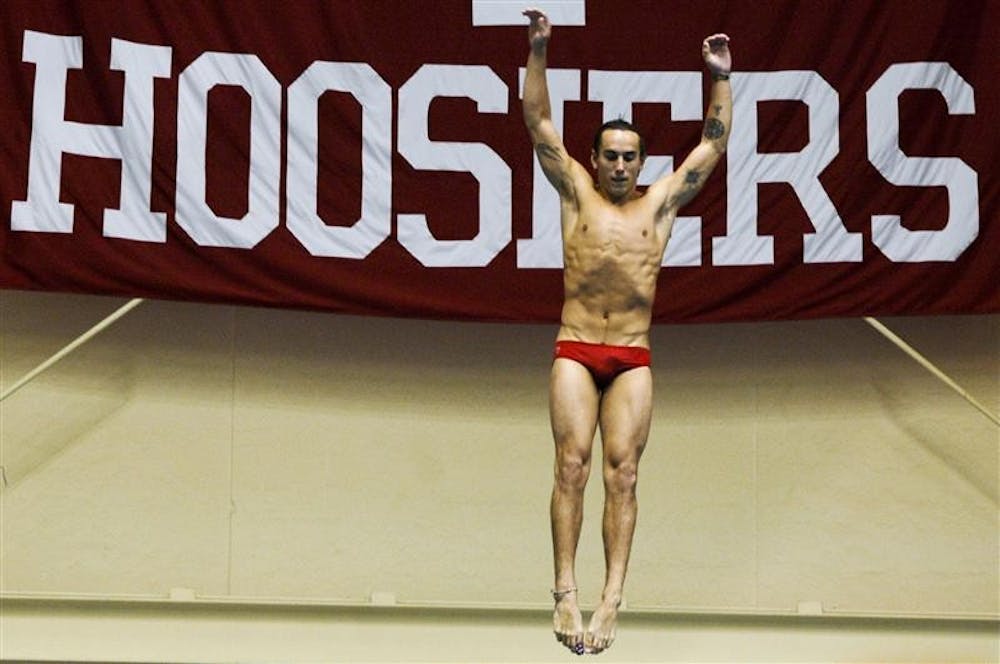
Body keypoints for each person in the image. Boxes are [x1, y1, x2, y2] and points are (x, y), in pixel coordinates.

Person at [521, 7, 733, 655]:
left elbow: (713, 144)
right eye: (609, 155)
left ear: (643, 162)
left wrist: (720, 77)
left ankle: (612, 599)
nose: (618, 166)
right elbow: (537, 122)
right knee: (572, 465)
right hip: (577, 349)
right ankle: (565, 591)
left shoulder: (659, 204)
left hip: (632, 356)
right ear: (593, 159)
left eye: (629, 157)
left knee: (624, 476)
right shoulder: (575, 193)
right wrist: (538, 49)